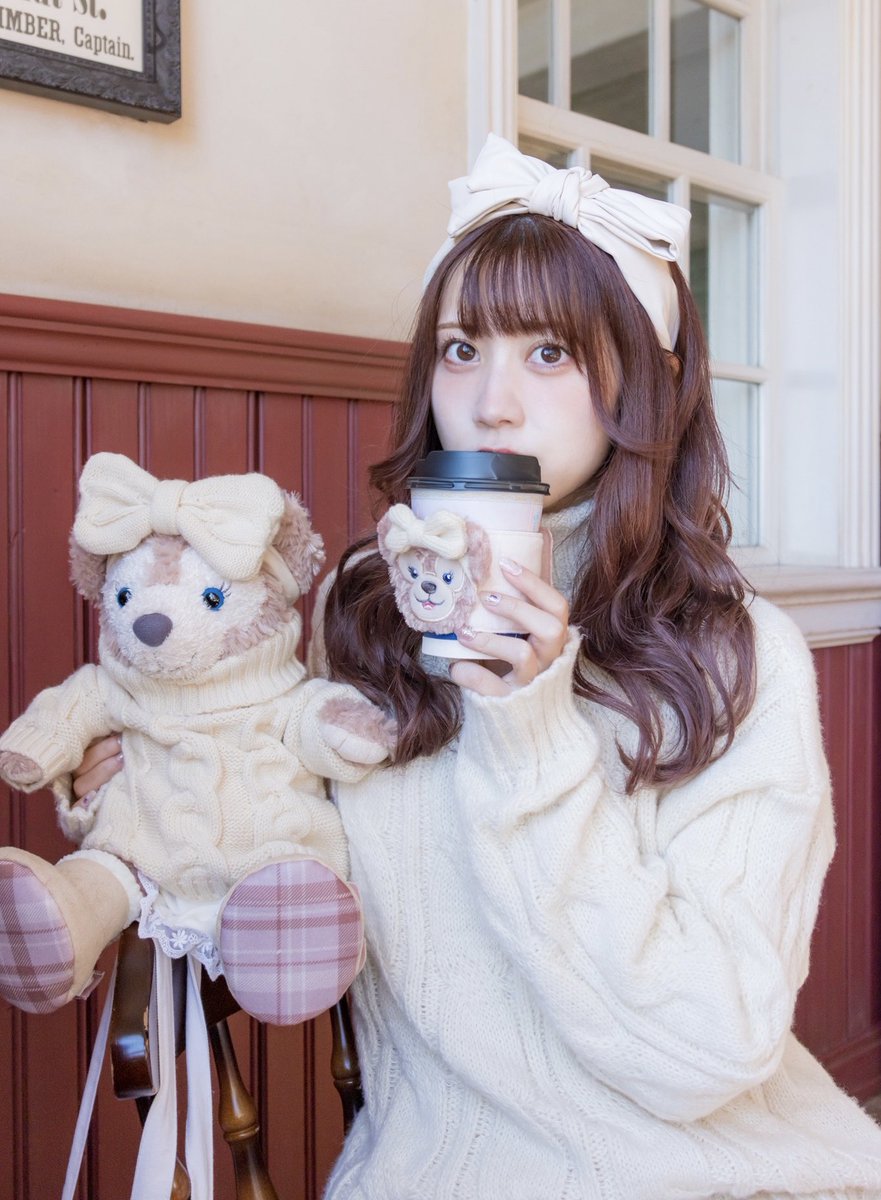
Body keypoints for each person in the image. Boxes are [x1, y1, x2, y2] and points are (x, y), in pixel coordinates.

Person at [75, 136, 881, 1198]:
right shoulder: (365, 608)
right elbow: (281, 825)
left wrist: (532, 734)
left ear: (644, 386)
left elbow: (709, 1050)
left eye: (550, 353)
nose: (491, 401)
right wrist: (163, 776)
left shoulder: (733, 657)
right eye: (461, 349)